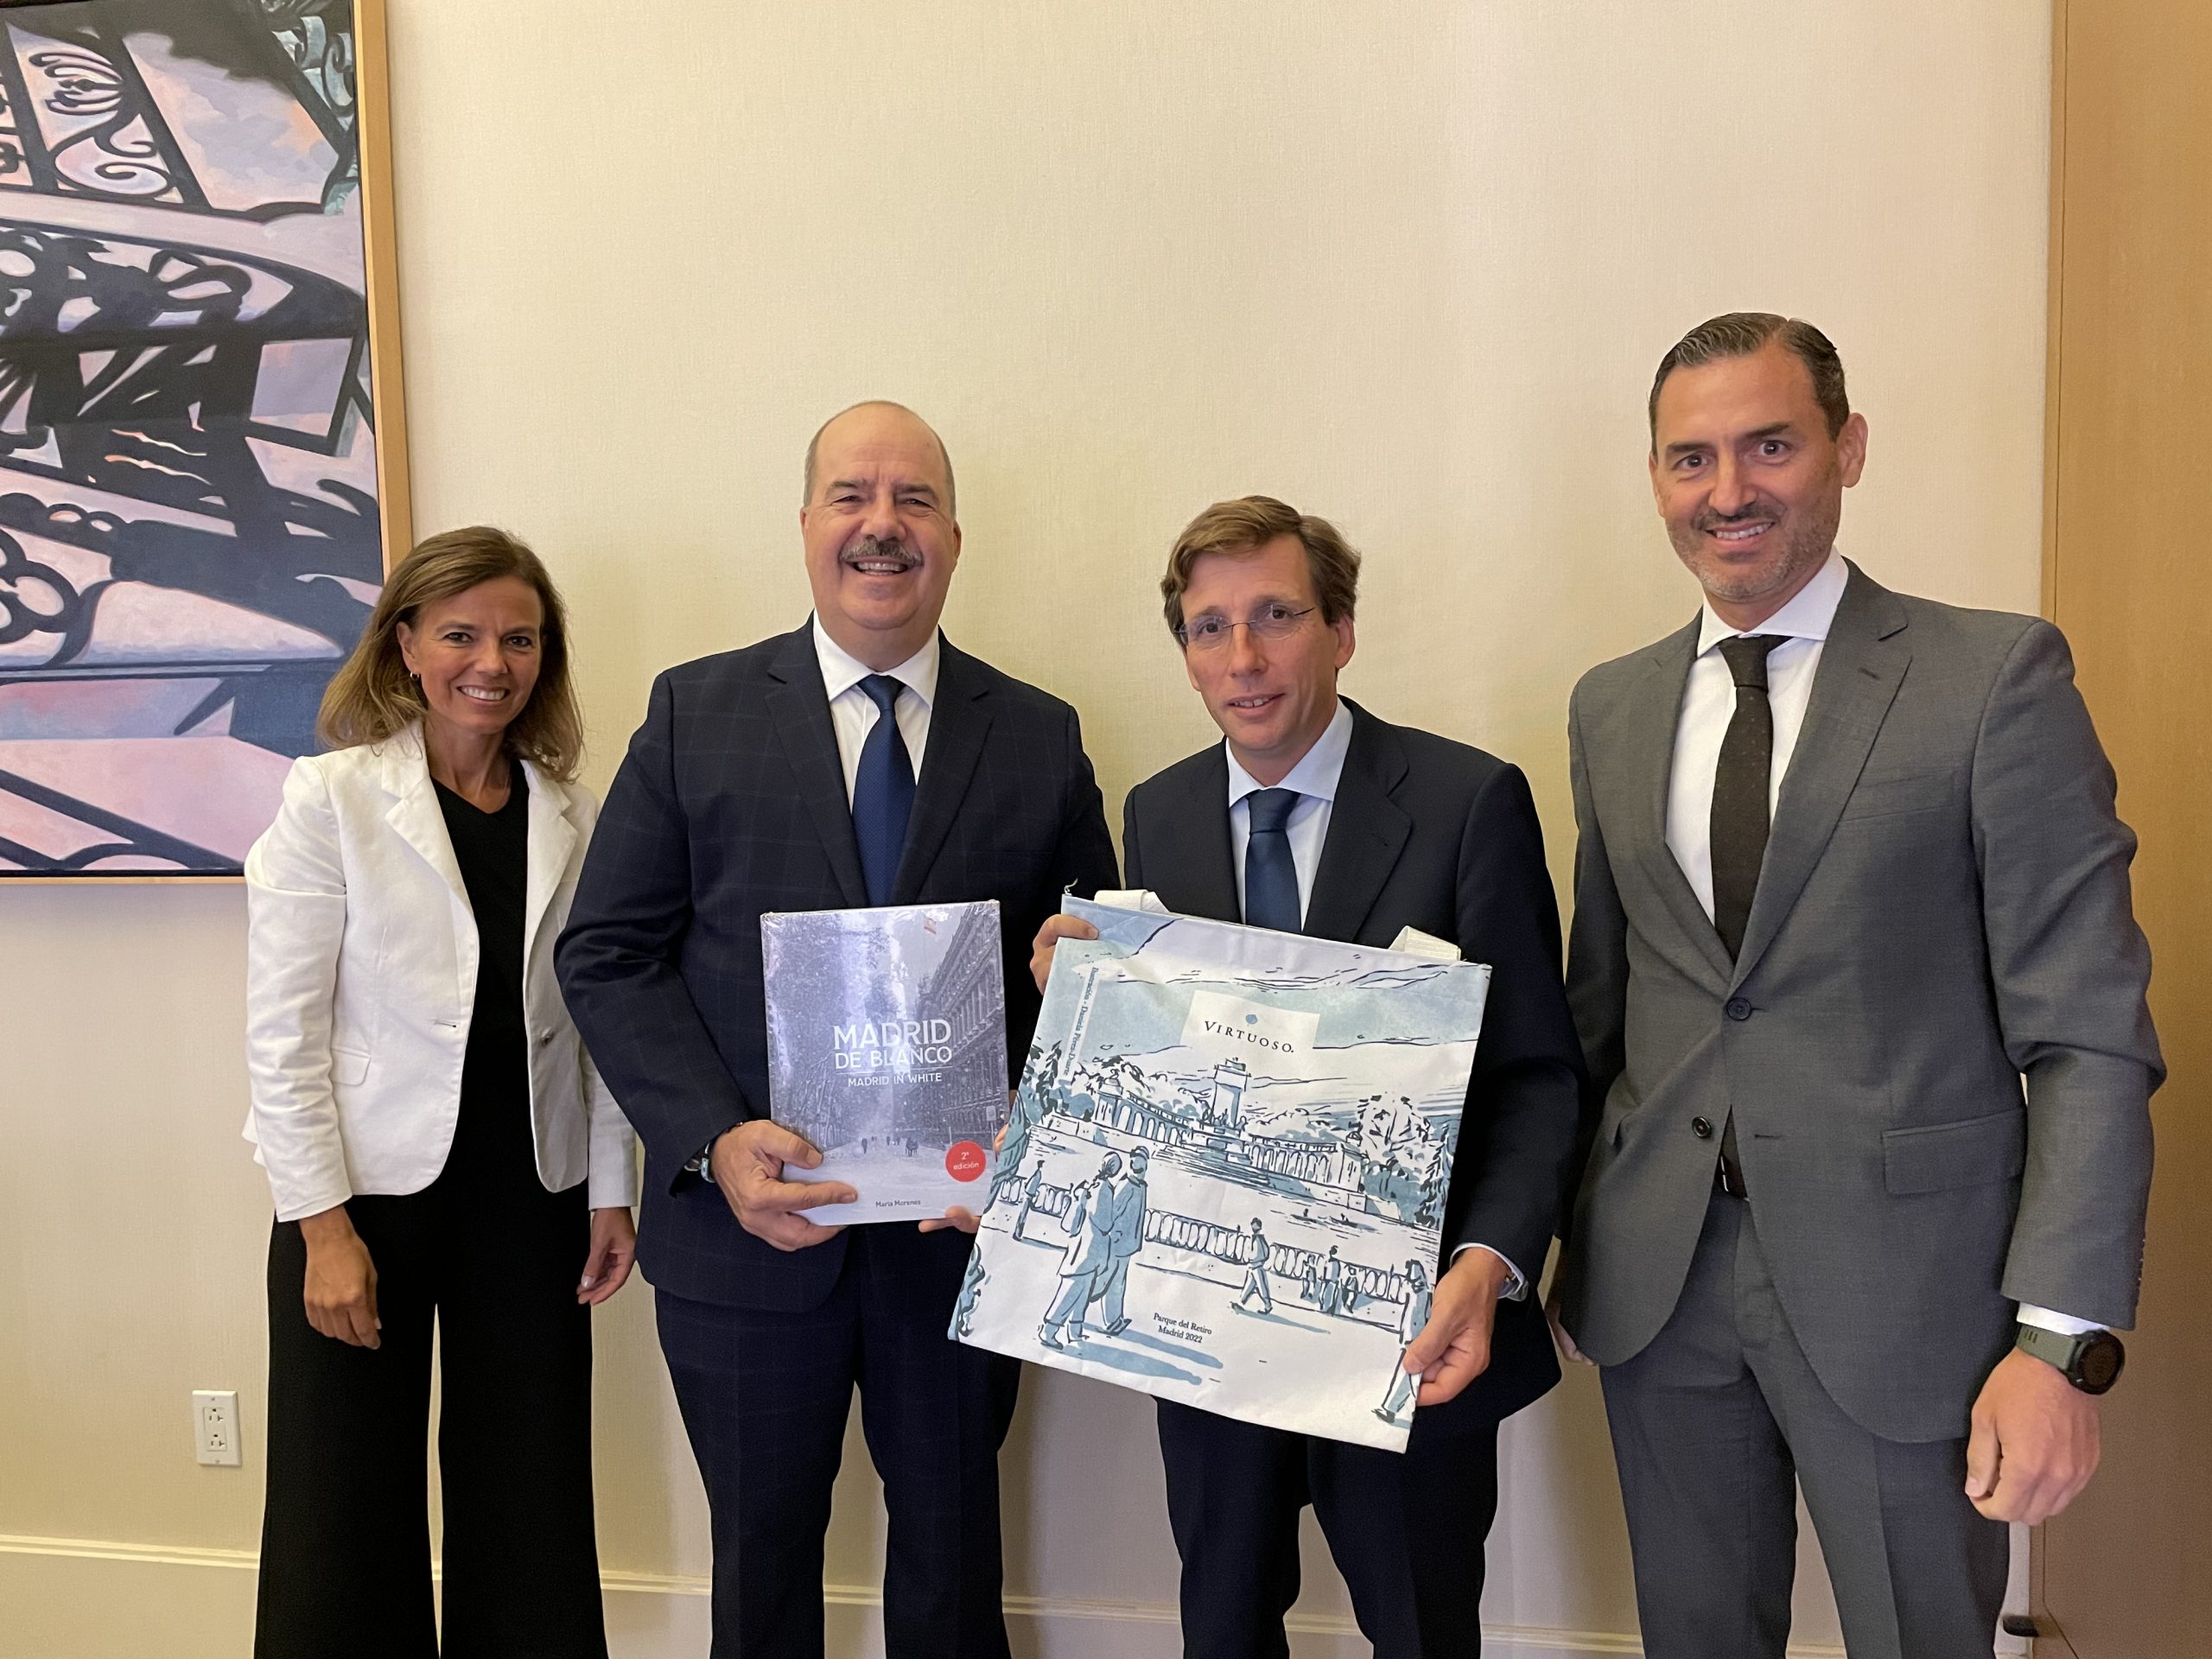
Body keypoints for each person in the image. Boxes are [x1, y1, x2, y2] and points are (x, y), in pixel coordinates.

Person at [1554, 313, 2161, 1659]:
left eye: (1770, 446)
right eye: (1691, 458)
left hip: (1915, 1298)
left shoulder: (1992, 679)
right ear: (1655, 478)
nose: (1729, 490)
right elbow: (1602, 1012)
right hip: (1659, 1294)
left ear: (1849, 448)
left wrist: (2060, 1342)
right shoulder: (1612, 707)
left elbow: (2089, 1035)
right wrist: (1545, 1244)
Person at [555, 401, 1117, 1659]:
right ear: (805, 525)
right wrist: (711, 1137)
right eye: (852, 496)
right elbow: (606, 952)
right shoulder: (696, 711)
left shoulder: (1038, 734)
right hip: (746, 1245)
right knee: (758, 1578)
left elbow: (1091, 978)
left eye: (914, 499)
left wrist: (1069, 986)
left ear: (955, 536)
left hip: (954, 1245)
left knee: (953, 1577)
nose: (882, 525)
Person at [1030, 496, 1585, 1659]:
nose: (1244, 656)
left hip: (1413, 1332)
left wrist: (1490, 1263)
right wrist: (1080, 998)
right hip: (1213, 1348)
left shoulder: (1468, 801)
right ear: (1187, 653)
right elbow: (1174, 1047)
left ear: (1341, 631)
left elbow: (1539, 1075)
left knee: (1419, 1630)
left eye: (1276, 616)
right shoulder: (1159, 812)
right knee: (1224, 1627)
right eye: (1210, 627)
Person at [243, 528, 639, 1659]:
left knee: (532, 1498)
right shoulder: (330, 799)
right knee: (340, 1508)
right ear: (406, 645)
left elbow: (596, 1021)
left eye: (520, 639)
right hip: (363, 1205)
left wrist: (610, 1190)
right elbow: (281, 1035)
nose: (492, 663)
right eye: (461, 635)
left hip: (531, 1199)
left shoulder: (572, 813)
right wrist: (320, 1227)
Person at [1040, 1152, 1122, 1346]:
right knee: (1071, 1292)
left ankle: (1075, 1331)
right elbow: (1104, 1223)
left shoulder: (1093, 1185)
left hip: (1082, 1248)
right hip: (1089, 1250)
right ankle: (1049, 1330)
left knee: (1083, 1292)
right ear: (1115, 1170)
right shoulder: (1104, 1189)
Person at [1090, 1144, 1151, 1334]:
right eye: (1136, 1159)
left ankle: (1114, 1319)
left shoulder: (1140, 1185)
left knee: (1117, 1282)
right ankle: (1101, 1314)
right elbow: (1113, 1211)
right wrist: (1114, 1235)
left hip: (1127, 1244)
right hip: (1117, 1243)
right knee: (1108, 1281)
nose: (1138, 1163)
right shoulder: (1128, 1184)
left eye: (1142, 1160)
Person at [1376, 1260, 1433, 1423]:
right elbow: (1408, 1315)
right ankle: (1392, 1409)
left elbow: (1421, 1318)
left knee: (1410, 1376)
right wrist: (1404, 1334)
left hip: (1416, 1340)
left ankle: (1393, 1409)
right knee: (1408, 1376)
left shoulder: (1424, 1294)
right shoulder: (1414, 1293)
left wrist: (1413, 1338)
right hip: (1411, 1339)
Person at [1236, 1217, 1274, 1313]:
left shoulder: (1259, 1239)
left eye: (1254, 1225)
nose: (1253, 1227)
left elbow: (1264, 1253)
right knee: (1248, 1286)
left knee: (1262, 1288)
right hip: (1252, 1266)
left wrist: (1253, 1259)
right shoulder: (1255, 1238)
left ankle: (1268, 1306)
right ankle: (1241, 1302)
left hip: (1257, 1267)